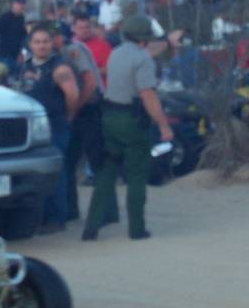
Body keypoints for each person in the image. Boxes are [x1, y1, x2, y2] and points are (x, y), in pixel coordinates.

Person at [82, 15, 173, 241]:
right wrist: (164, 126)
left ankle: (91, 227)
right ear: (144, 38)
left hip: (109, 117)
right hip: (132, 121)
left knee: (106, 173)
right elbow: (148, 95)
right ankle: (137, 229)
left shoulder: (115, 53)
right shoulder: (143, 59)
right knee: (136, 175)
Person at [22, 24, 79, 234]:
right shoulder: (26, 66)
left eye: (45, 41)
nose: (41, 46)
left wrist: (68, 116)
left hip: (54, 125)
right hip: (31, 128)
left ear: (52, 43)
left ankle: (57, 218)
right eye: (37, 42)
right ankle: (41, 217)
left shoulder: (59, 68)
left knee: (56, 172)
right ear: (30, 44)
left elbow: (72, 95)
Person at [54, 24, 106, 222]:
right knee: (70, 162)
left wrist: (74, 110)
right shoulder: (59, 55)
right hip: (80, 110)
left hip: (90, 109)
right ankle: (72, 211)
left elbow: (90, 82)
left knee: (96, 161)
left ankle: (104, 212)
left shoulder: (72, 50)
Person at [0, 0, 28, 77]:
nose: (21, 6)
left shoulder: (22, 19)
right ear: (13, 4)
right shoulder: (5, 17)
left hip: (17, 56)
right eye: (19, 3)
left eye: (23, 4)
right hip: (4, 55)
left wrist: (21, 53)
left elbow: (23, 38)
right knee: (2, 77)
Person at [73, 12, 113, 86]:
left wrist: (90, 73)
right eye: (80, 28)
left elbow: (111, 68)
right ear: (74, 29)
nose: (84, 30)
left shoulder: (102, 45)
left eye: (87, 27)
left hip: (100, 88)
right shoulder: (69, 46)